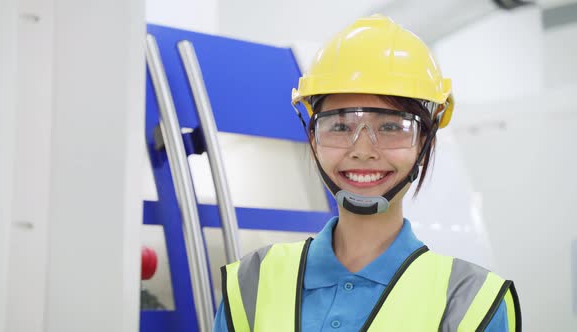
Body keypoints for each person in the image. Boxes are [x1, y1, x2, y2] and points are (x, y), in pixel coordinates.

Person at [213, 14, 521, 331]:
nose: (362, 149)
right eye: (340, 126)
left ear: (425, 141)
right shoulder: (251, 283)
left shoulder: (473, 302)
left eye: (390, 127)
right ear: (314, 139)